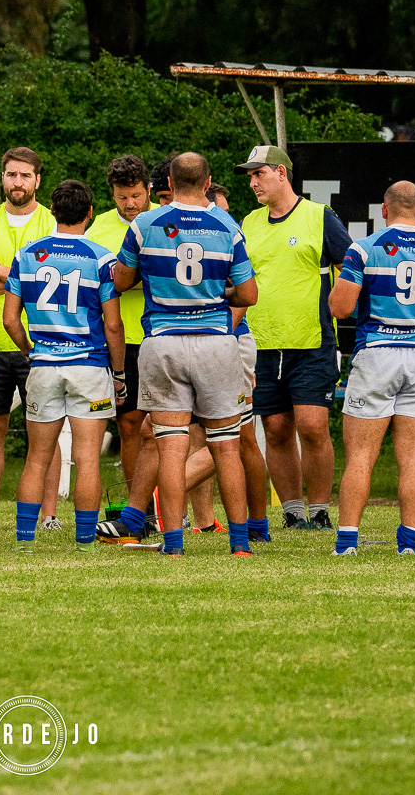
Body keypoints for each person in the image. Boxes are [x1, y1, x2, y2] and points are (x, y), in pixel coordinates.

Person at [113, 152, 258, 557]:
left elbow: (122, 280)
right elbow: (248, 294)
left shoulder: (143, 224)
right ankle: (240, 544)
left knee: (171, 445)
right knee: (227, 444)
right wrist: (219, 292)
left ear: (170, 184)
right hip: (214, 340)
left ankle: (173, 544)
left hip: (162, 342)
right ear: (209, 182)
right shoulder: (227, 225)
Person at [328, 181, 415, 557]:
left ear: (383, 210)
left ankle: (347, 543)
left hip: (378, 352)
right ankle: (409, 544)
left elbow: (340, 308)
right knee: (414, 456)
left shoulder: (365, 249)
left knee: (360, 456)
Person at [2, 179, 125, 552]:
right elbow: (114, 324)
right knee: (87, 460)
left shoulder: (26, 254)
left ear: (52, 211)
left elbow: (10, 320)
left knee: (37, 457)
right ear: (90, 213)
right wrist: (118, 375)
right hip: (88, 366)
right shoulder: (102, 258)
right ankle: (85, 542)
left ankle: (25, 542)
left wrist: (30, 351)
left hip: (43, 365)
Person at [235, 145, 352, 532]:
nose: (253, 182)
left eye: (260, 174)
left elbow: (350, 266)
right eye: (250, 176)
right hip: (263, 344)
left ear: (282, 173)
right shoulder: (248, 223)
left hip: (312, 340)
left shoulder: (319, 216)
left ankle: (320, 510)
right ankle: (293, 511)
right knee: (276, 429)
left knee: (313, 426)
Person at [0, 147, 55, 532]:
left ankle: (49, 515)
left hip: (42, 342)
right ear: (2, 177)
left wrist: (0, 271)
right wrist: (24, 279)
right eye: (11, 175)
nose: (17, 182)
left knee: (44, 431)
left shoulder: (53, 224)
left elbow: (45, 282)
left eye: (25, 176)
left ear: (38, 180)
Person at [85, 156, 153, 487]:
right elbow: (96, 281)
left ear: (148, 189)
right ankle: (137, 509)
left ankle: (174, 506)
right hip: (119, 339)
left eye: (136, 196)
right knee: (129, 425)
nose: (130, 204)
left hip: (160, 334)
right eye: (122, 197)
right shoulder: (98, 228)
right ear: (112, 193)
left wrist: (124, 276)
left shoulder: (161, 220)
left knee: (169, 425)